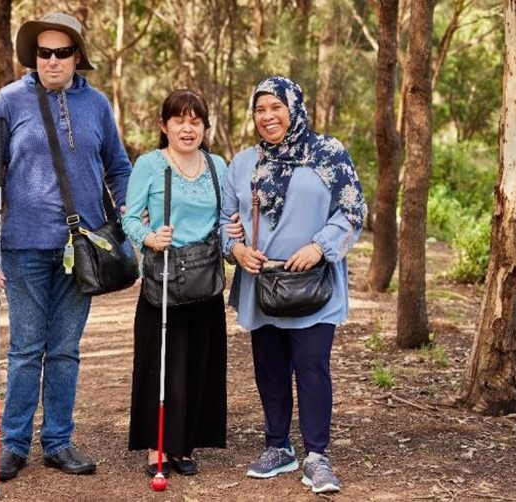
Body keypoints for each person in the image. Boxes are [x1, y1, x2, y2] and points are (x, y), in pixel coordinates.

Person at [0, 12, 133, 482]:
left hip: (82, 248)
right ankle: (13, 446)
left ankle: (58, 441)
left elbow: (118, 168)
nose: (53, 60)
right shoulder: (9, 103)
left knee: (64, 349)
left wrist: (127, 218)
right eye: (44, 52)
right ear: (34, 56)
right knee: (25, 349)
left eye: (63, 52)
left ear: (77, 57)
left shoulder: (97, 105)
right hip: (23, 247)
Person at [220, 76, 366, 494]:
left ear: (294, 109)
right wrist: (236, 249)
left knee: (312, 366)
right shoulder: (244, 162)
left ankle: (317, 455)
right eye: (260, 110)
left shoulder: (328, 154)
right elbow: (225, 218)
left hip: (313, 282)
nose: (268, 117)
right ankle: (277, 446)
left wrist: (320, 247)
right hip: (262, 282)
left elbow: (353, 210)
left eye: (275, 108)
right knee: (269, 367)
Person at [122, 89, 228, 478]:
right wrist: (149, 237)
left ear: (204, 126)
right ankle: (157, 447)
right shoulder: (150, 164)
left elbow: (224, 218)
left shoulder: (217, 165)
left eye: (195, 121)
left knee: (199, 361)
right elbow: (129, 218)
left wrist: (230, 229)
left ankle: (184, 446)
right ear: (163, 126)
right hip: (164, 278)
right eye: (179, 120)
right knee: (162, 364)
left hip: (205, 278)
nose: (188, 128)